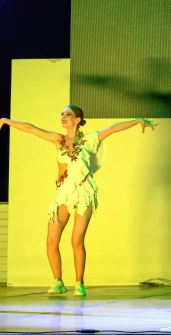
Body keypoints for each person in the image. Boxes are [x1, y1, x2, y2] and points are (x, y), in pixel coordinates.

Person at [0, 107, 157, 296]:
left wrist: (138, 120)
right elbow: (32, 129)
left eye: (68, 114)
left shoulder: (89, 139)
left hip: (84, 192)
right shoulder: (58, 140)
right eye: (62, 114)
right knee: (51, 240)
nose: (63, 117)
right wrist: (6, 121)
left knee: (76, 240)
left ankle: (79, 283)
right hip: (63, 194)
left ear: (77, 119)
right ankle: (58, 281)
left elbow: (113, 128)